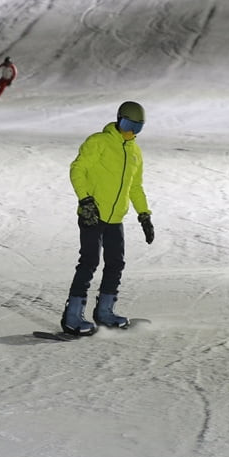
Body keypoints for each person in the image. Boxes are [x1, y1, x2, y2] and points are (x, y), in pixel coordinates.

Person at [62, 100, 154, 334]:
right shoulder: (99, 142)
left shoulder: (135, 152)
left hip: (115, 218)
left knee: (115, 263)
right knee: (90, 261)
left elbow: (135, 186)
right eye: (126, 124)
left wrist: (144, 214)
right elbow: (77, 169)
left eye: (137, 127)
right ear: (118, 119)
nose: (130, 132)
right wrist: (85, 200)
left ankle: (104, 311)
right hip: (92, 213)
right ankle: (72, 315)